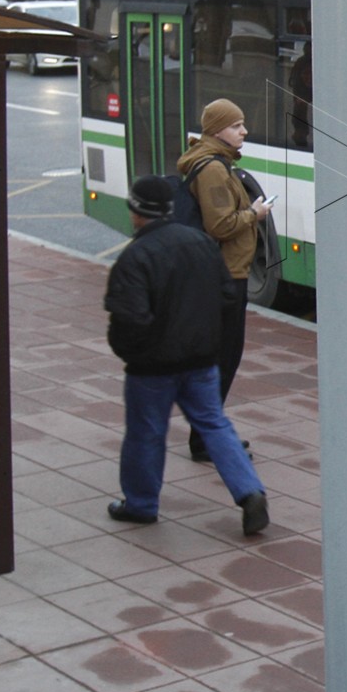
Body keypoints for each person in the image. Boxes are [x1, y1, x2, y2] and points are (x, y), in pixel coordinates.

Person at [104, 176, 268, 535]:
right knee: (214, 424)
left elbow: (128, 319)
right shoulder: (201, 244)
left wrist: (133, 353)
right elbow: (227, 296)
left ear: (135, 213)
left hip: (151, 368)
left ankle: (141, 504)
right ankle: (250, 491)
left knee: (146, 433)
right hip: (201, 361)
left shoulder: (135, 257)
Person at [175, 98, 270, 463]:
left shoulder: (217, 162)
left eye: (242, 124)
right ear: (216, 131)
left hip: (226, 274)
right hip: (226, 277)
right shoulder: (212, 168)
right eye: (236, 125)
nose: (243, 131)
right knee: (223, 360)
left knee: (220, 359)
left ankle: (206, 434)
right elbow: (221, 225)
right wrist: (254, 214)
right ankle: (205, 439)